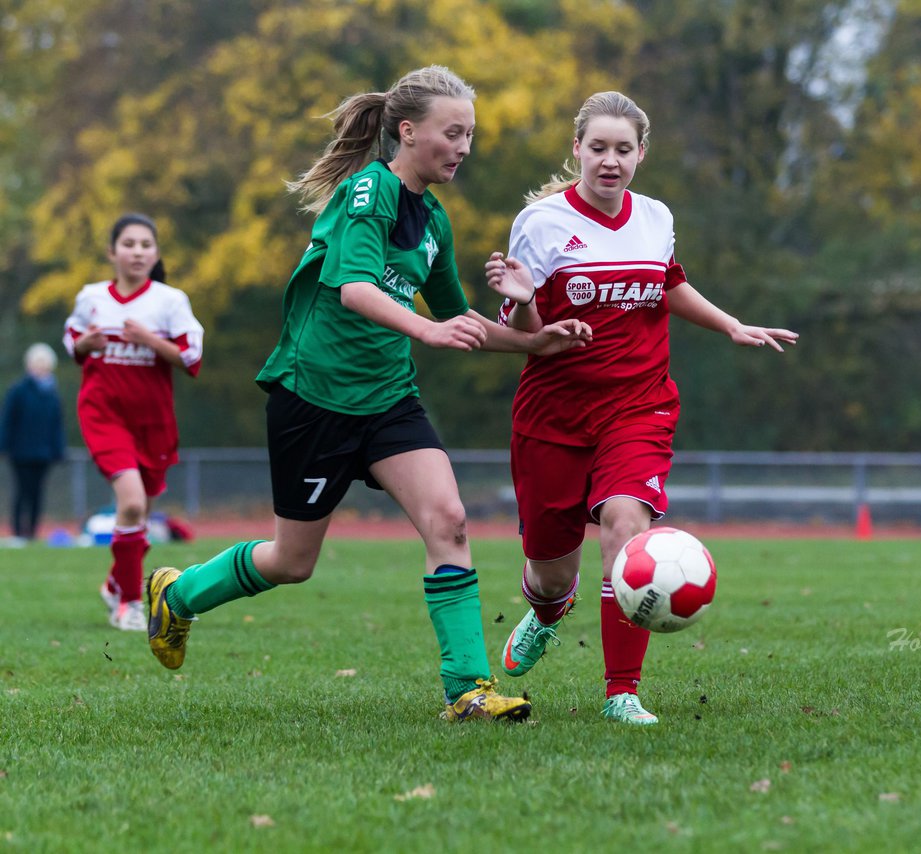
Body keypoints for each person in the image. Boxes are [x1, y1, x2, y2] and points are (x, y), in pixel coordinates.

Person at [143, 66, 591, 724]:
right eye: (453, 132)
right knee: (293, 562)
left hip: (388, 400)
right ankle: (179, 595)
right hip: (315, 398)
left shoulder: (434, 218)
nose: (465, 146)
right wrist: (427, 330)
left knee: (450, 520)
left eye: (471, 135)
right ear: (408, 133)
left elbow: (459, 321)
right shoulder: (367, 192)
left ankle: (467, 690)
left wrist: (537, 340)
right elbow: (355, 289)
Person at [484, 91, 798, 725]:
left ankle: (621, 693)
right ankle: (548, 612)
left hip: (639, 405)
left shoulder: (655, 216)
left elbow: (669, 283)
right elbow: (523, 330)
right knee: (549, 573)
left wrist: (730, 324)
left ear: (641, 154)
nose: (609, 161)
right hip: (553, 412)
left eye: (622, 150)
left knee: (627, 529)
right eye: (597, 148)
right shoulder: (542, 223)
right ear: (577, 149)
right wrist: (521, 301)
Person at [63, 214, 204, 631]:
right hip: (104, 414)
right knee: (130, 504)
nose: (137, 251)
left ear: (155, 253)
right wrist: (84, 344)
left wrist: (151, 341)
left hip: (154, 423)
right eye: (128, 244)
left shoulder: (169, 301)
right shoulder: (91, 297)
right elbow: (71, 337)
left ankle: (114, 581)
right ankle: (128, 604)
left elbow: (192, 356)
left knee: (141, 515)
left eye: (145, 244)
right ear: (112, 252)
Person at [0, 343, 66, 545]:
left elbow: (57, 425)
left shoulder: (52, 395)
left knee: (38, 493)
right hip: (20, 452)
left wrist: (57, 450)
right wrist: (3, 445)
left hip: (43, 454)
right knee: (22, 492)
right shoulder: (18, 391)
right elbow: (7, 420)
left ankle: (33, 532)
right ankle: (19, 532)